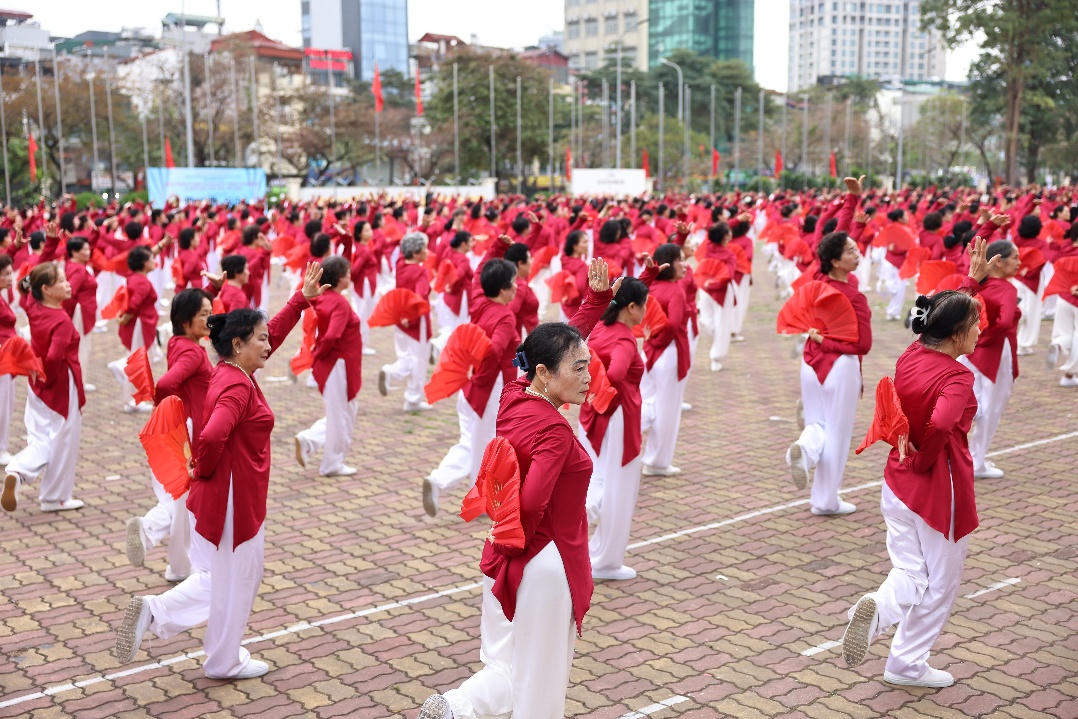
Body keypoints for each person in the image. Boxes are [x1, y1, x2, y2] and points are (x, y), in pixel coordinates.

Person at [417, 263, 616, 719]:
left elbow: (548, 350)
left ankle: (459, 706)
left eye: (589, 366)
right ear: (547, 374)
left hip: (504, 551)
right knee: (540, 689)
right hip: (544, 561)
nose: (589, 376)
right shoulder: (555, 433)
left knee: (507, 666)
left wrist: (595, 303)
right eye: (580, 368)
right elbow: (531, 503)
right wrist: (527, 535)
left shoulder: (515, 396)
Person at [113, 262, 327, 680]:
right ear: (237, 343)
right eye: (261, 340)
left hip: (222, 494)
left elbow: (269, 338)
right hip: (231, 497)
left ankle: (162, 617)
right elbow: (211, 437)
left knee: (221, 577)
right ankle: (219, 657)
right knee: (239, 577)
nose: (269, 345)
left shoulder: (231, 369)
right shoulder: (234, 385)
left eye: (267, 338)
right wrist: (203, 467)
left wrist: (299, 300)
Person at [842, 239, 995, 689]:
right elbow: (945, 420)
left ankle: (875, 614)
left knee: (911, 572)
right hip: (936, 487)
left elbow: (939, 322)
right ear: (954, 335)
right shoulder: (958, 375)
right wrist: (928, 457)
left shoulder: (913, 353)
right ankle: (906, 663)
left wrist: (971, 283)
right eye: (974, 324)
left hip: (896, 480)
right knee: (941, 584)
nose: (979, 331)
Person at [125, 288, 214, 582]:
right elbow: (166, 383)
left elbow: (187, 314)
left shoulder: (178, 341)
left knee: (180, 498)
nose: (210, 318)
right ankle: (151, 532)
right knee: (183, 500)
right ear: (187, 320)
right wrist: (166, 406)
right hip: (187, 431)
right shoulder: (193, 353)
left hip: (180, 427)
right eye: (204, 314)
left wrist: (211, 291)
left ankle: (177, 566)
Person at [422, 254, 519, 517]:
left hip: (472, 382)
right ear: (502, 289)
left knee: (473, 441)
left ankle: (448, 483)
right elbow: (495, 349)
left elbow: (477, 276)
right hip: (488, 386)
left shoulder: (479, 304)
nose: (517, 287)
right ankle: (462, 489)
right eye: (513, 283)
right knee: (483, 443)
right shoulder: (505, 316)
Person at [786, 229, 872, 515]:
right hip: (840, 366)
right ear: (834, 261)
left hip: (810, 362)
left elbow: (827, 239)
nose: (857, 252)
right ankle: (826, 501)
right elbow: (863, 344)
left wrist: (849, 204)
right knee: (837, 433)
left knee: (817, 423)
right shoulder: (854, 297)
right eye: (849, 250)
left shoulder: (816, 282)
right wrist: (831, 341)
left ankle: (804, 449)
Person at [580, 270, 656, 582]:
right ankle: (606, 560)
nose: (648, 309)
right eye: (645, 304)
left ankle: (589, 535)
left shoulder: (600, 327)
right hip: (619, 415)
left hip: (597, 411)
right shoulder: (624, 339)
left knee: (600, 479)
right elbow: (616, 373)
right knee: (620, 488)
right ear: (632, 308)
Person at [2, 263, 84, 513]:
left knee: (40, 436)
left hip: (37, 382)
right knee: (62, 440)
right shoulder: (61, 321)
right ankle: (54, 496)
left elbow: (29, 282)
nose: (68, 283)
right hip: (59, 384)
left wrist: (48, 247)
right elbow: (54, 357)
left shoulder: (33, 307)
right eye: (61, 280)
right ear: (47, 289)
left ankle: (19, 470)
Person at [295, 256, 362, 477]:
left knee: (342, 412)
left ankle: (310, 441)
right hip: (337, 362)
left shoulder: (325, 297)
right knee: (341, 414)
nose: (350, 277)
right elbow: (332, 334)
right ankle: (331, 463)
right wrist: (317, 355)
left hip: (335, 362)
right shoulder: (340, 302)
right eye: (347, 273)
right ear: (340, 278)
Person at [960, 240, 1020, 478]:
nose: (1019, 263)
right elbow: (1004, 323)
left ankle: (965, 454)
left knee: (973, 400)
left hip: (971, 349)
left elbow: (976, 247)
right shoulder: (1007, 289)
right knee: (991, 407)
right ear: (999, 261)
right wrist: (988, 337)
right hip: (995, 352)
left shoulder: (978, 283)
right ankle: (977, 460)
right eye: (1015, 257)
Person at [640, 243, 690, 476]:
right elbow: (673, 323)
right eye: (680, 259)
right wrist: (660, 341)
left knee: (647, 400)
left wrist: (652, 340)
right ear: (669, 263)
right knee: (667, 409)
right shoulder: (675, 290)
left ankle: (634, 433)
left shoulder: (649, 287)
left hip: (649, 350)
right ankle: (657, 461)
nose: (685, 264)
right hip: (668, 352)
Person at [379, 232, 433, 412]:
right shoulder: (420, 271)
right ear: (416, 252)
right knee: (418, 360)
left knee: (407, 355)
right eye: (424, 248)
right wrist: (411, 315)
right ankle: (409, 394)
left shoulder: (400, 265)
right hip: (416, 320)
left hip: (400, 318)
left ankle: (401, 383)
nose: (427, 251)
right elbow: (420, 295)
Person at [107, 245, 164, 412]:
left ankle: (133, 397)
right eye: (150, 259)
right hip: (140, 323)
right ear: (143, 263)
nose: (154, 261)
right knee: (138, 360)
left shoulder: (135, 278)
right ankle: (132, 397)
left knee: (142, 358)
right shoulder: (141, 281)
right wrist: (125, 316)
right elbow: (134, 305)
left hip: (140, 322)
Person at [63, 236, 98, 390]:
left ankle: (78, 379)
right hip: (79, 312)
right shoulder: (78, 269)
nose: (88, 251)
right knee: (81, 346)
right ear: (74, 252)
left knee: (81, 346)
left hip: (82, 310)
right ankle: (78, 380)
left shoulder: (74, 266)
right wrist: (67, 315)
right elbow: (69, 293)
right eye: (84, 249)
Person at [0, 255, 15, 464]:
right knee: (2, 402)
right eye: (5, 274)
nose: (10, 278)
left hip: (9, 354)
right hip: (2, 355)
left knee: (7, 401)